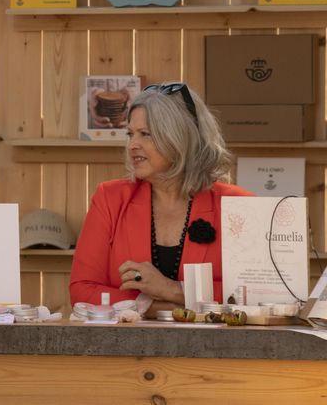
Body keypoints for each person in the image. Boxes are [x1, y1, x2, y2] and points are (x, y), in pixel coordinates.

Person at [70, 83, 253, 317]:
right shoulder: (110, 199)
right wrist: (158, 307)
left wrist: (170, 289)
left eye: (145, 134)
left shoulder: (239, 205)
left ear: (181, 138)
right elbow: (82, 292)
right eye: (130, 134)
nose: (132, 145)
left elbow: (256, 295)